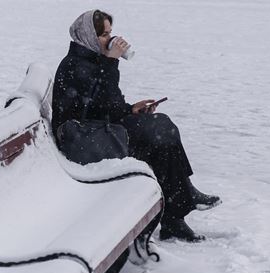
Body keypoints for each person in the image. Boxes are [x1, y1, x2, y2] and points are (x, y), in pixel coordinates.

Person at [52, 9, 220, 242]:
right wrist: (111, 62)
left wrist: (131, 109)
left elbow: (106, 106)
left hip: (96, 130)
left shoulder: (91, 59)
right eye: (103, 35)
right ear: (89, 36)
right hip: (83, 140)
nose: (109, 39)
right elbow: (97, 106)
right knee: (158, 136)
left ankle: (177, 210)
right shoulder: (75, 64)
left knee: (161, 125)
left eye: (110, 33)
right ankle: (177, 211)